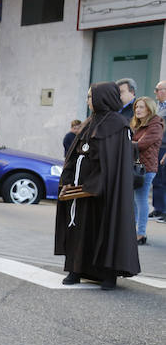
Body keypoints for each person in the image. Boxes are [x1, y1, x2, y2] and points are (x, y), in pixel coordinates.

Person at [55, 82, 140, 289]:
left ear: (102, 98)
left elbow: (116, 164)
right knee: (78, 230)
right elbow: (74, 154)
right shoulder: (88, 123)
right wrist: (67, 180)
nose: (88, 101)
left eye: (91, 97)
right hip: (80, 188)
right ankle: (75, 269)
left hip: (103, 192)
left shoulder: (119, 126)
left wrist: (94, 184)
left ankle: (107, 275)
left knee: (104, 229)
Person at [130, 96, 163, 245]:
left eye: (141, 107)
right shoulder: (139, 125)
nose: (137, 110)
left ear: (149, 109)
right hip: (136, 168)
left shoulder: (155, 125)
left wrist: (123, 143)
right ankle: (132, 231)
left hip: (146, 169)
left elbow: (142, 145)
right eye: (136, 107)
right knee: (134, 200)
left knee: (141, 200)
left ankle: (141, 234)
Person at [150, 80, 166, 221]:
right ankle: (158, 208)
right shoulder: (158, 107)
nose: (155, 92)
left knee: (162, 179)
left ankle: (163, 210)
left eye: (158, 89)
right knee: (156, 179)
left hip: (164, 148)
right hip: (156, 147)